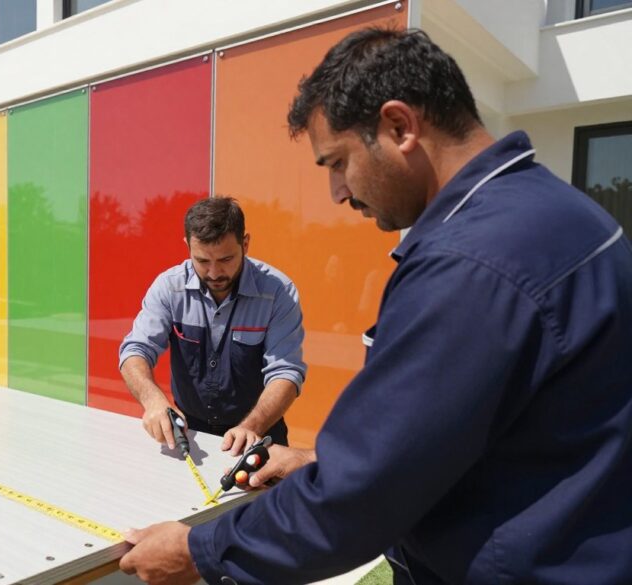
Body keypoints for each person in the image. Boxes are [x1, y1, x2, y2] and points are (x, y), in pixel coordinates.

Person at [119, 28, 632, 584]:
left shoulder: (469, 263)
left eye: (337, 162)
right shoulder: (568, 216)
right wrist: (318, 464)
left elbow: (359, 502)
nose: (339, 192)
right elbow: (478, 440)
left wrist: (198, 550)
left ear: (399, 126)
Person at [119, 197, 306, 455]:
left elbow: (286, 372)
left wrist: (252, 426)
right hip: (190, 433)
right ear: (187, 247)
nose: (215, 273)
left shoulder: (278, 292)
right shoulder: (169, 288)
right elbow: (135, 350)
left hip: (260, 433)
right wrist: (152, 401)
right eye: (203, 261)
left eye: (226, 259)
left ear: (246, 244)